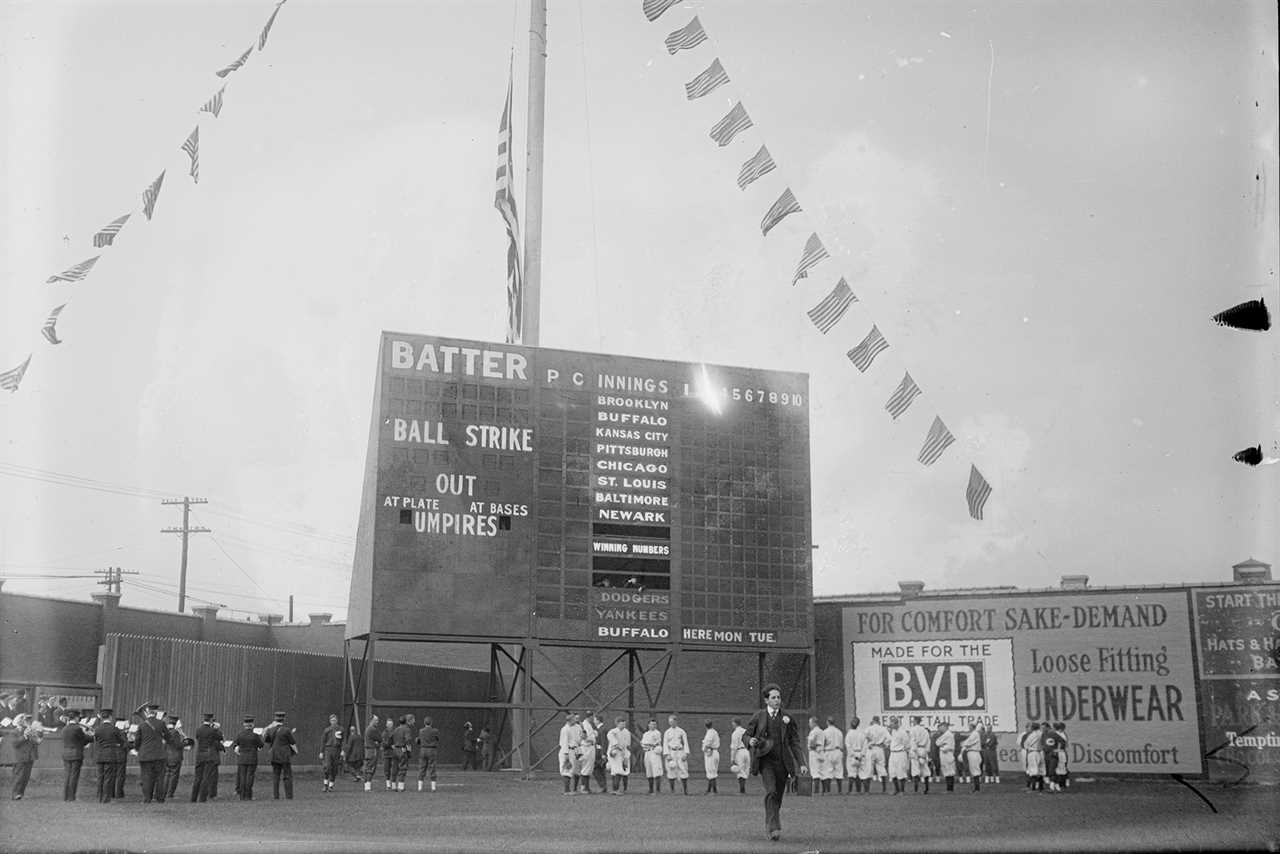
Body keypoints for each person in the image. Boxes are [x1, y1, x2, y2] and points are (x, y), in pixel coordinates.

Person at [742, 683, 807, 842]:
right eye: (773, 697)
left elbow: (795, 742)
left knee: (777, 795)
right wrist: (750, 740)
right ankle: (773, 828)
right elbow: (745, 735)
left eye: (778, 697)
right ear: (766, 700)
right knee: (771, 791)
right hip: (765, 762)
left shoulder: (787, 718)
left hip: (784, 764)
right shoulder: (759, 716)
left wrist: (802, 763)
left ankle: (772, 824)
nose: (777, 700)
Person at [133, 702, 169, 803]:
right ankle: (160, 798)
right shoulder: (161, 723)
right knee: (159, 778)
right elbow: (168, 737)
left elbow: (137, 741)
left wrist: (138, 749)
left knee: (146, 777)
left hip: (145, 755)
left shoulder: (142, 725)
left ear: (148, 712)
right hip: (159, 754)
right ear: (156, 712)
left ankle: (147, 798)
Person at [92, 708, 125, 803]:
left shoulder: (97, 729)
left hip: (99, 755)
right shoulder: (114, 729)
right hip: (110, 755)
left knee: (100, 777)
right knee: (108, 777)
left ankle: (100, 797)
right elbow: (121, 741)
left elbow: (96, 740)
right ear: (110, 717)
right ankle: (106, 798)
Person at [61, 710, 93, 801]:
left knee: (67, 775)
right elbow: (84, 739)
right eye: (78, 717)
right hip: (76, 754)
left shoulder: (64, 728)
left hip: (66, 754)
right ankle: (71, 796)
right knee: (74, 776)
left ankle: (65, 796)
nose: (79, 719)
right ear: (75, 718)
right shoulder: (77, 728)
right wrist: (89, 734)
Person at [9, 714, 42, 800]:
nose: (28, 722)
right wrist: (24, 736)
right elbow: (15, 743)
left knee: (26, 777)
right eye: (26, 720)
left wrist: (36, 736)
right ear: (19, 722)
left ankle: (21, 794)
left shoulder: (28, 730)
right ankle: (15, 794)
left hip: (29, 757)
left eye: (28, 721)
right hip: (19, 758)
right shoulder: (14, 732)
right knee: (19, 777)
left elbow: (36, 742)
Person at [265, 710, 297, 799]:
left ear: (275, 719)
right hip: (285, 755)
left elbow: (267, 740)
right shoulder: (287, 730)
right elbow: (292, 742)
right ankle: (289, 795)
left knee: (276, 776)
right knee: (287, 775)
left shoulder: (270, 730)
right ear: (284, 719)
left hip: (274, 755)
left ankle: (276, 795)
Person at [231, 716, 264, 800]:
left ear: (244, 725)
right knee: (250, 777)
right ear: (252, 725)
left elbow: (235, 744)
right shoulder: (255, 736)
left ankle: (242, 796)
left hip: (242, 758)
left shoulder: (240, 735)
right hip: (252, 758)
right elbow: (261, 745)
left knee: (242, 777)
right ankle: (248, 796)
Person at [190, 712, 220, 803]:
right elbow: (219, 737)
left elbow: (198, 738)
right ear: (211, 720)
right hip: (209, 754)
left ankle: (193, 798)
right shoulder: (212, 730)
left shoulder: (198, 729)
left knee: (197, 777)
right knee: (206, 777)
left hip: (200, 754)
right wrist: (216, 729)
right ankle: (202, 798)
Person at [162, 714, 192, 801]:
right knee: (174, 776)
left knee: (167, 775)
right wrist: (186, 742)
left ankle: (165, 792)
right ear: (175, 723)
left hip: (167, 756)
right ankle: (170, 794)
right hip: (175, 756)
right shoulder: (175, 733)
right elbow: (177, 745)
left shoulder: (167, 731)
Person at [661, 714, 690, 795]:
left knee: (683, 769)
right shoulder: (667, 732)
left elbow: (685, 742)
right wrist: (667, 754)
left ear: (676, 721)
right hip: (671, 752)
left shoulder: (681, 731)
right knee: (671, 770)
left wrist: (686, 753)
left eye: (673, 721)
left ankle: (685, 790)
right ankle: (672, 790)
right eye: (670, 722)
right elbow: (665, 743)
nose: (671, 723)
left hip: (680, 751)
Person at [557, 711, 583, 795]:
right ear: (569, 721)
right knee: (566, 770)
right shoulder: (565, 729)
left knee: (576, 770)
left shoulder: (578, 727)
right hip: (567, 750)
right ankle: (567, 790)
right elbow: (564, 743)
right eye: (573, 720)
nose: (575, 721)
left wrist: (579, 751)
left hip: (575, 750)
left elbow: (579, 739)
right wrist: (566, 755)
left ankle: (575, 789)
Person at [606, 715, 632, 794]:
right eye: (621, 724)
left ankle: (616, 789)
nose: (623, 725)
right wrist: (617, 746)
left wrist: (626, 754)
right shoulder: (612, 732)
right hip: (614, 753)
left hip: (623, 752)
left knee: (621, 770)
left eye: (624, 724)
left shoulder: (627, 732)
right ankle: (616, 789)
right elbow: (613, 741)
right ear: (617, 724)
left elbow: (627, 744)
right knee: (617, 770)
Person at [864, 715, 890, 793]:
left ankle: (867, 791)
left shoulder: (869, 728)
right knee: (882, 768)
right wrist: (885, 745)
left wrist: (869, 741)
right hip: (879, 748)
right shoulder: (883, 729)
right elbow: (889, 738)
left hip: (871, 748)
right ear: (879, 721)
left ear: (873, 720)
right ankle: (884, 789)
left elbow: (864, 737)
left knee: (868, 768)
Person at [391, 714, 415, 791]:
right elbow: (408, 740)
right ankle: (401, 787)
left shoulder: (396, 729)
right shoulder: (407, 729)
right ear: (406, 721)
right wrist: (409, 751)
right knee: (403, 768)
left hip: (395, 750)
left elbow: (391, 739)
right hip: (402, 750)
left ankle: (393, 786)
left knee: (394, 768)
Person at [320, 713, 344, 792]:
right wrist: (321, 752)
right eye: (332, 720)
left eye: (335, 720)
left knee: (334, 768)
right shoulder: (327, 730)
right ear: (330, 721)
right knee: (327, 767)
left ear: (337, 720)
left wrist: (343, 750)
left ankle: (331, 785)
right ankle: (325, 784)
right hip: (328, 749)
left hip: (337, 750)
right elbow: (323, 741)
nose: (333, 722)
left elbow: (343, 741)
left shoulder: (341, 729)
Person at [888, 717, 911, 794]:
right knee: (892, 771)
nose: (891, 725)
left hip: (900, 753)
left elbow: (907, 744)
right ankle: (896, 789)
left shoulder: (903, 732)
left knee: (901, 771)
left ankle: (902, 790)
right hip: (893, 753)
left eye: (893, 723)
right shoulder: (893, 731)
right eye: (891, 723)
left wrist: (903, 750)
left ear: (897, 723)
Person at [822, 717, 845, 794]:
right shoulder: (839, 731)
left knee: (828, 771)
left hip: (829, 751)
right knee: (839, 771)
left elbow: (823, 743)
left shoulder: (825, 732)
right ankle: (840, 790)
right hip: (838, 751)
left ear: (828, 722)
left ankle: (828, 791)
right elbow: (841, 744)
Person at [416, 716, 440, 792]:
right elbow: (437, 739)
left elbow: (418, 741)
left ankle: (420, 787)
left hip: (423, 750)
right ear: (431, 723)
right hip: (432, 750)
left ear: (424, 723)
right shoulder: (435, 731)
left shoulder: (421, 731)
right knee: (432, 768)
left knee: (422, 768)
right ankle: (433, 788)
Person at [639, 718, 663, 794]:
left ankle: (658, 790)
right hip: (647, 753)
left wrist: (647, 744)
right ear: (648, 725)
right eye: (651, 724)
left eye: (655, 724)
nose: (653, 725)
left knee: (656, 770)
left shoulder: (657, 733)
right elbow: (642, 743)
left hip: (654, 752)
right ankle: (651, 789)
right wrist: (645, 745)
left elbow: (656, 743)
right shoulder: (645, 734)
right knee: (649, 771)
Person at [909, 716, 932, 794]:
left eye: (913, 720)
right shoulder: (925, 730)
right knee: (925, 769)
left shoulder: (913, 729)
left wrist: (914, 751)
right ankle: (926, 789)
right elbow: (928, 742)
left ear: (915, 721)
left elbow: (913, 741)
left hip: (916, 749)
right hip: (923, 749)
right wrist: (926, 751)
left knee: (915, 769)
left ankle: (916, 789)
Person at [729, 718, 750, 794]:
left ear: (735, 723)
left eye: (732, 723)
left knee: (740, 770)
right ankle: (743, 789)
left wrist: (732, 758)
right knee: (745, 769)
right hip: (747, 751)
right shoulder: (745, 731)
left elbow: (734, 747)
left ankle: (742, 790)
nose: (732, 724)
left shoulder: (735, 733)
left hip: (739, 752)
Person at [1041, 721, 1063, 792]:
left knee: (1051, 770)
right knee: (1049, 770)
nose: (1042, 729)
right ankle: (1056, 785)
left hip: (1053, 754)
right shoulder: (1043, 734)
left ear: (1048, 727)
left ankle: (1052, 786)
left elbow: (1062, 741)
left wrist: (1058, 750)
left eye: (1044, 728)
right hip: (1046, 754)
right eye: (1041, 728)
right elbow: (1042, 743)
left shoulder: (1053, 734)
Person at [578, 711, 597, 793]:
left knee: (589, 768)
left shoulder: (589, 725)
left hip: (590, 747)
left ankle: (587, 787)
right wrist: (593, 737)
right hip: (586, 747)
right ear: (590, 717)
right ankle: (583, 787)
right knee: (586, 767)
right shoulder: (584, 724)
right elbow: (583, 736)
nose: (593, 718)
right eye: (592, 716)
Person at [935, 721, 957, 791]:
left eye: (941, 727)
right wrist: (942, 744)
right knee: (946, 771)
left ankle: (950, 789)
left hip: (947, 754)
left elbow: (939, 743)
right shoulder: (945, 734)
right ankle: (949, 788)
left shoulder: (948, 734)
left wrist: (942, 746)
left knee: (949, 771)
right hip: (944, 754)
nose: (940, 729)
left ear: (945, 727)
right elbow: (937, 742)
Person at [960, 724, 984, 792]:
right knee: (974, 770)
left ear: (972, 727)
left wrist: (963, 743)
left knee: (975, 770)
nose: (969, 728)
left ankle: (977, 789)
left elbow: (968, 742)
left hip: (974, 752)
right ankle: (976, 788)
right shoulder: (974, 733)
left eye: (970, 726)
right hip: (972, 752)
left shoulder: (975, 733)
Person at [361, 714, 382, 792]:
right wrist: (377, 742)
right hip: (372, 750)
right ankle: (368, 787)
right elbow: (380, 739)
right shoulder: (373, 729)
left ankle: (366, 786)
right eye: (376, 720)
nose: (377, 722)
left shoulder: (367, 729)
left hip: (367, 750)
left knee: (367, 768)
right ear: (371, 720)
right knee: (371, 768)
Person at [1022, 722, 1044, 792]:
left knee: (1033, 770)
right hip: (1040, 753)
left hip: (1032, 753)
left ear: (1032, 728)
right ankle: (1040, 787)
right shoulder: (1041, 733)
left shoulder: (1032, 735)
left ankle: (1033, 788)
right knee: (1040, 770)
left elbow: (1025, 745)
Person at [701, 720, 720, 794]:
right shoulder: (714, 732)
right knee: (712, 771)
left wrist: (705, 749)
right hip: (714, 751)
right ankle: (709, 789)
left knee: (711, 771)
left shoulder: (710, 733)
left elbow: (708, 742)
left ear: (705, 726)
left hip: (711, 752)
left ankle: (714, 790)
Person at [806, 717, 824, 793]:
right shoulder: (821, 731)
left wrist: (809, 742)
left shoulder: (814, 731)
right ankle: (824, 790)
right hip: (821, 751)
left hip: (814, 751)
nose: (809, 724)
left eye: (810, 723)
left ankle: (816, 790)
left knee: (815, 771)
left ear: (814, 723)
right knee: (821, 771)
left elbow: (812, 742)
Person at [1052, 722, 1069, 790]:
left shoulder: (1058, 734)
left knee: (1058, 769)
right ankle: (1063, 784)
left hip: (1058, 752)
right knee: (1062, 768)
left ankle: (1059, 784)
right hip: (1062, 752)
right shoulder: (1063, 733)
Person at [381, 718, 397, 788]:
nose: (390, 725)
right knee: (386, 769)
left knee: (394, 769)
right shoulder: (384, 733)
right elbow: (384, 744)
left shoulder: (395, 732)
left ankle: (393, 784)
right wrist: (390, 745)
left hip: (394, 754)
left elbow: (397, 742)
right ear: (386, 725)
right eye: (389, 724)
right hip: (386, 754)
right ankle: (388, 784)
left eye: (391, 724)